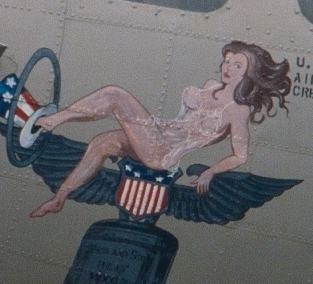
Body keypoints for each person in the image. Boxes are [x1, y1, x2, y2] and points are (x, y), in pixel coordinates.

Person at [29, 41, 292, 217]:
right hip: (157, 133)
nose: (228, 68)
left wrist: (210, 172)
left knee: (116, 95)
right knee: (102, 142)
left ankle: (53, 120)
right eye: (227, 61)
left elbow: (241, 155)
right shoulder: (211, 85)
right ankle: (60, 197)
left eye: (237, 65)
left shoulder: (238, 110)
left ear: (249, 73)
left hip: (162, 153)